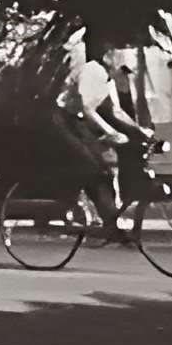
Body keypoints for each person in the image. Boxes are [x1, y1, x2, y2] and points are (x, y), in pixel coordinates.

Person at [51, 39, 152, 233]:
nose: (124, 75)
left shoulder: (107, 79)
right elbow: (88, 109)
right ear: (109, 58)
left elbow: (116, 111)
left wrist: (140, 131)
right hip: (63, 119)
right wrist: (111, 132)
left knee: (105, 167)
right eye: (122, 69)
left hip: (77, 121)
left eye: (127, 72)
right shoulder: (93, 71)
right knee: (91, 165)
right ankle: (75, 206)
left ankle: (109, 220)